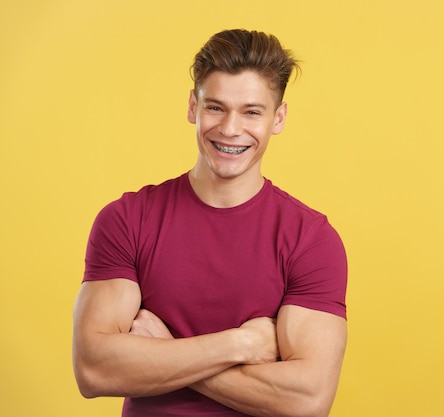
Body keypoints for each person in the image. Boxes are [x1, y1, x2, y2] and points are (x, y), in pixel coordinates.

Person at [72, 29, 348, 417]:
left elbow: (307, 401)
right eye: (215, 107)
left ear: (278, 118)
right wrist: (239, 345)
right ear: (192, 107)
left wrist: (165, 350)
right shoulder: (127, 219)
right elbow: (94, 369)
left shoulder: (311, 239)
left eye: (252, 111)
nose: (231, 129)